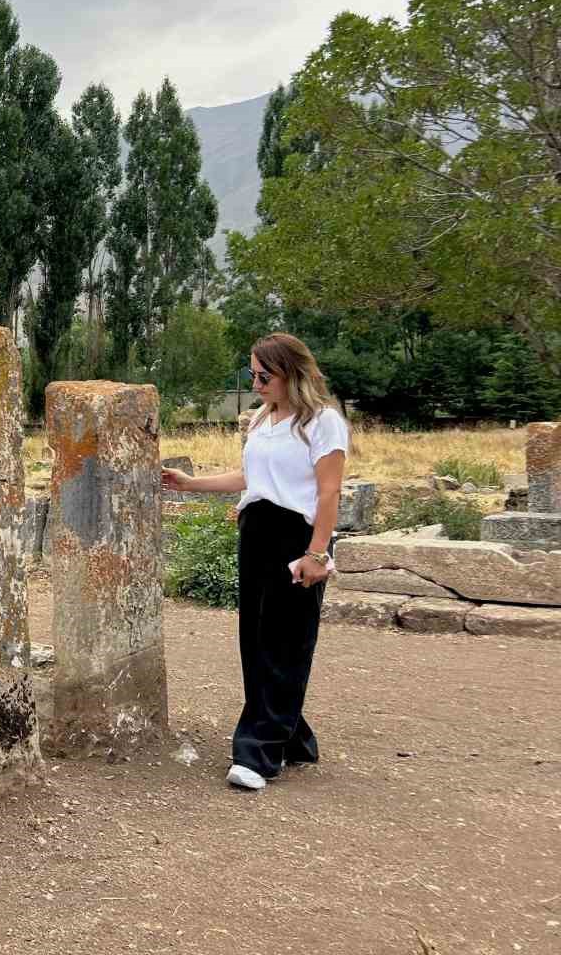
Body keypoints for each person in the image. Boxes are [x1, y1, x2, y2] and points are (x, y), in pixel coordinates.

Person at [161, 332, 348, 792]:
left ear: (293, 374)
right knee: (258, 640)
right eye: (252, 374)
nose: (257, 382)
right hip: (257, 531)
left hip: (296, 535)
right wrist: (190, 484)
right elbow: (252, 477)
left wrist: (317, 553)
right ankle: (293, 737)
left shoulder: (323, 422)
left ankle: (259, 752)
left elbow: (328, 491)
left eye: (266, 375)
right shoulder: (262, 420)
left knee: (286, 641)